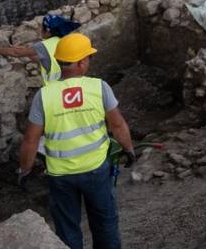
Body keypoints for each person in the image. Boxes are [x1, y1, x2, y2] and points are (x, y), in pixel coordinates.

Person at [18, 33, 135, 249]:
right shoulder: (99, 88)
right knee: (105, 225)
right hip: (96, 171)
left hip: (61, 177)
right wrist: (129, 150)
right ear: (81, 62)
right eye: (88, 57)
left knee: (67, 230)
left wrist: (24, 171)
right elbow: (117, 125)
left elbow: (30, 141)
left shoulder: (43, 96)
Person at [0, 14, 81, 86]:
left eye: (42, 28)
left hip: (55, 88)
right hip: (70, 85)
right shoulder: (62, 41)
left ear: (48, 32)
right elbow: (44, 60)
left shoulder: (44, 45)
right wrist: (27, 51)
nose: (40, 30)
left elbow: (16, 53)